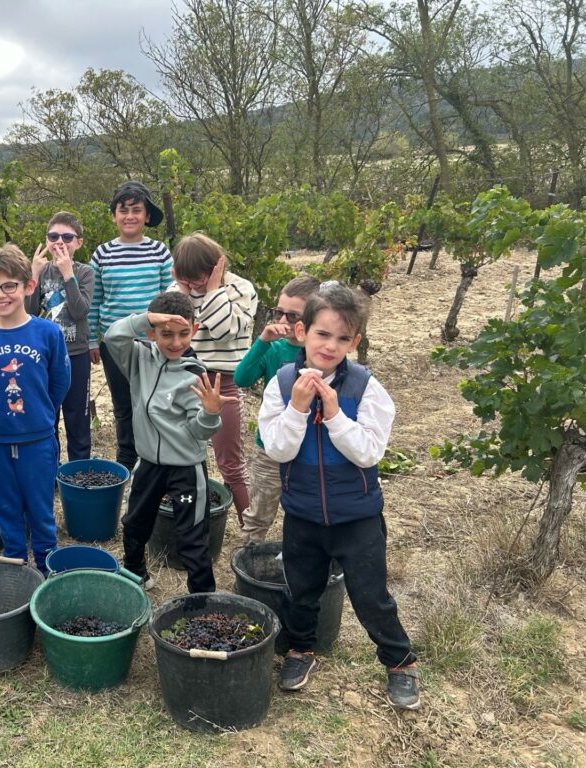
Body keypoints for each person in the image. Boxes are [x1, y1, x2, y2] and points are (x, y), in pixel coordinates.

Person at [257, 284, 420, 710]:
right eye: (322, 334)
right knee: (301, 589)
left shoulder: (366, 388)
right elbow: (277, 449)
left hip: (356, 516)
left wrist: (333, 415)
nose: (330, 346)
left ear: (355, 342)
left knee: (371, 595)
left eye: (342, 338)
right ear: (300, 332)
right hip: (303, 512)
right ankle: (300, 650)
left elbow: (369, 451)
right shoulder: (282, 383)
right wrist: (296, 407)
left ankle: (399, 662)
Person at [104, 291, 232, 594]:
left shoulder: (194, 374)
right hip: (148, 463)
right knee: (135, 523)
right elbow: (112, 337)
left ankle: (202, 599)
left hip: (185, 470)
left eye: (183, 333)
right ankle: (136, 574)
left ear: (194, 330)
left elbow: (200, 432)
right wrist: (145, 318)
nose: (176, 342)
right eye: (166, 334)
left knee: (191, 536)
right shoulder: (139, 357)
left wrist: (211, 414)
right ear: (152, 332)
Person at [0, 244, 70, 574]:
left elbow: (59, 383)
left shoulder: (48, 333)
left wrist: (39, 415)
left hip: (37, 439)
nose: (1, 294)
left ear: (28, 286)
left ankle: (45, 562)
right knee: (5, 503)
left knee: (40, 504)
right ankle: (14, 556)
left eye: (9, 285)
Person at [169, 232, 257, 528]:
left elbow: (224, 330)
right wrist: (182, 293)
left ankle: (250, 533)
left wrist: (213, 290)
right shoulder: (179, 289)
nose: (194, 286)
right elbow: (175, 332)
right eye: (188, 280)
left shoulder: (240, 289)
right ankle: (184, 521)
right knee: (178, 457)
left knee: (231, 464)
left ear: (216, 266)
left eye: (199, 279)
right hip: (185, 381)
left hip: (224, 384)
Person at [88, 181, 172, 471]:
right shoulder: (102, 254)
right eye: (123, 211)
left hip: (152, 343)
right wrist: (90, 340)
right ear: (114, 216)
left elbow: (168, 297)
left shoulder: (160, 252)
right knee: (123, 405)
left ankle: (153, 458)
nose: (130, 216)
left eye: (137, 210)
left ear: (147, 217)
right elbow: (94, 301)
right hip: (115, 344)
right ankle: (126, 458)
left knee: (151, 402)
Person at [234, 275, 321, 542]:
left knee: (308, 512)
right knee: (259, 513)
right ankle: (248, 558)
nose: (284, 321)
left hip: (309, 448)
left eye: (293, 316)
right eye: (279, 313)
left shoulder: (322, 354)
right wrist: (261, 342)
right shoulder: (273, 350)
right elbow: (242, 378)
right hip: (270, 447)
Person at [26, 211, 95, 461]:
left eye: (67, 237)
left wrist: (68, 274)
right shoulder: (39, 272)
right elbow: (28, 314)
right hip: (44, 357)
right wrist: (32, 276)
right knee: (48, 417)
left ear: (79, 243)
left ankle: (78, 473)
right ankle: (50, 471)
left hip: (76, 355)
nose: (59, 242)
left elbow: (79, 311)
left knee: (78, 418)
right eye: (53, 236)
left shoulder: (85, 272)